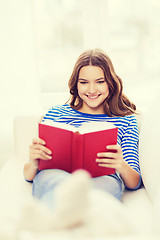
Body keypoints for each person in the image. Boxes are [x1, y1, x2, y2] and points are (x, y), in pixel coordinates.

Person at [23, 48, 142, 229]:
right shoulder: (55, 113)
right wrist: (34, 162)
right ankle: (67, 219)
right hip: (55, 173)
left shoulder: (126, 120)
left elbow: (134, 183)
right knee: (52, 180)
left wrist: (120, 164)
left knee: (101, 189)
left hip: (103, 178)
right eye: (84, 82)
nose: (92, 89)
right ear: (75, 85)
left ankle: (60, 222)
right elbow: (28, 175)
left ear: (110, 83)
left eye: (100, 81)